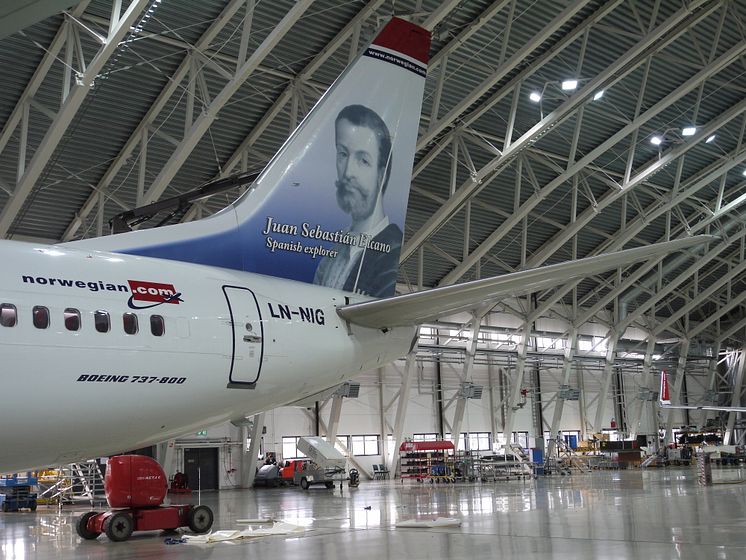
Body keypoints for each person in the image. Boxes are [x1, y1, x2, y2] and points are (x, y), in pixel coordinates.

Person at [313, 104, 402, 297]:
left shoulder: (391, 255)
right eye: (343, 154)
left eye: (363, 160)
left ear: (382, 174)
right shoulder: (333, 254)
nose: (348, 172)